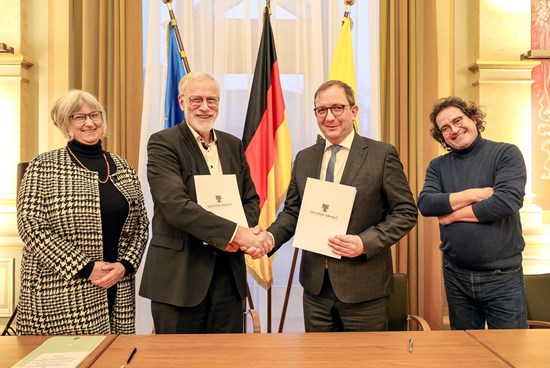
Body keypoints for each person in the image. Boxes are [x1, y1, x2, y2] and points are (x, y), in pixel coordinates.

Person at [264, 80, 418, 332]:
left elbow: (405, 212)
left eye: (337, 108)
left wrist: (364, 242)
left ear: (353, 111)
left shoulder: (381, 155)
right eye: (322, 110)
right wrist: (270, 237)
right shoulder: (304, 158)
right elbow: (293, 211)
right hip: (316, 289)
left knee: (364, 363)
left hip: (364, 288)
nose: (329, 117)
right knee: (319, 361)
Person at [139, 71, 271, 334]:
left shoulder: (233, 145)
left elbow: (250, 199)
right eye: (196, 99)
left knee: (227, 360)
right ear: (181, 102)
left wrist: (240, 236)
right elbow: (175, 205)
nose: (204, 107)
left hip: (228, 279)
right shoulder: (164, 143)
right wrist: (238, 234)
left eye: (212, 100)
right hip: (180, 279)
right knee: (177, 362)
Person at [16, 90, 149, 335]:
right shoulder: (43, 166)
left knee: (115, 358)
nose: (89, 123)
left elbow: (140, 224)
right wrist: (85, 267)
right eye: (78, 117)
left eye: (94, 115)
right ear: (65, 123)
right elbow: (31, 226)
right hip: (61, 292)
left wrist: (126, 265)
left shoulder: (122, 166)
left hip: (117, 288)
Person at [417, 96, 528, 330]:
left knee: (510, 353)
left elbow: (506, 203)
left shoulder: (506, 154)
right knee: (465, 354)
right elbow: (426, 204)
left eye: (458, 120)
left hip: (503, 276)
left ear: (474, 118)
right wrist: (473, 194)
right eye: (445, 128)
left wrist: (453, 215)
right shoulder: (438, 166)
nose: (454, 130)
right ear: (441, 136)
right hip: (456, 274)